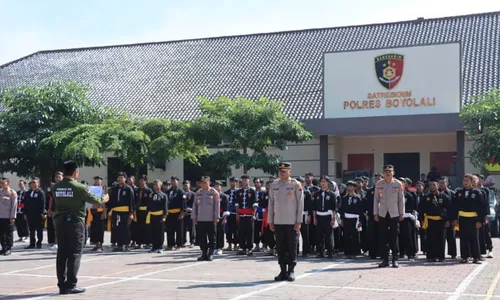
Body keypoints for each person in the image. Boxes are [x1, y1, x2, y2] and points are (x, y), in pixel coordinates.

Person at [52, 160, 109, 294]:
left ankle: (62, 285)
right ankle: (71, 284)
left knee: (62, 253)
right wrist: (104, 198)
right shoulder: (79, 187)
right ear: (75, 172)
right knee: (75, 253)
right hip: (75, 223)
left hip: (59, 222)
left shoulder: (55, 187)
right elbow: (95, 200)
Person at [267, 162, 304, 282]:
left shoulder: (295, 184)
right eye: (280, 171)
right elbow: (271, 204)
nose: (282, 174)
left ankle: (291, 270)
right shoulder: (274, 185)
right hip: (278, 221)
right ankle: (282, 270)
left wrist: (299, 220)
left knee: (292, 246)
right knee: (281, 247)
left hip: (291, 222)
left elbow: (300, 204)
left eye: (284, 171)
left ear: (290, 172)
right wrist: (270, 220)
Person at [374, 165, 404, 268]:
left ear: (393, 173)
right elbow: (376, 200)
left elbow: (401, 200)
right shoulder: (379, 184)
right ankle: (385, 260)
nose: (388, 173)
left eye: (390, 171)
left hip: (394, 213)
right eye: (386, 171)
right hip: (382, 213)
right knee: (383, 237)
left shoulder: (398, 184)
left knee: (394, 236)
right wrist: (375, 213)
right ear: (383, 173)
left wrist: (401, 213)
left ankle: (395, 259)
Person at [453, 173, 484, 264]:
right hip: (462, 218)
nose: (465, 182)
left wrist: (479, 220)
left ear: (471, 182)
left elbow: (481, 208)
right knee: (463, 238)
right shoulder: (459, 192)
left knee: (474, 238)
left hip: (473, 219)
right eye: (464, 181)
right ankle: (465, 257)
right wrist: (455, 218)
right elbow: (455, 207)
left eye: (467, 181)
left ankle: (476, 257)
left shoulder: (477, 193)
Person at [420, 181, 449, 262]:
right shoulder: (425, 197)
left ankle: (440, 256)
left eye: (434, 185)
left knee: (441, 239)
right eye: (430, 185)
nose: (432, 186)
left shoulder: (444, 196)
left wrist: (447, 220)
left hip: (441, 220)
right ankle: (431, 256)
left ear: (438, 186)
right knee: (430, 238)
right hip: (429, 220)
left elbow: (448, 209)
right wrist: (421, 219)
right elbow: (421, 209)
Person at [192, 176, 220, 261]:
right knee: (201, 237)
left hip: (211, 219)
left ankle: (211, 253)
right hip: (200, 219)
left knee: (212, 237)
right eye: (202, 182)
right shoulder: (198, 193)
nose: (203, 184)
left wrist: (216, 217)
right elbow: (195, 206)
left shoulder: (214, 192)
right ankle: (204, 253)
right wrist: (194, 216)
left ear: (209, 182)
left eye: (205, 182)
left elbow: (217, 205)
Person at [107, 172, 135, 252]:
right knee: (117, 228)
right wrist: (109, 212)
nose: (120, 179)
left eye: (121, 178)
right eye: (119, 178)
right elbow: (111, 201)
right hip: (116, 212)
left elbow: (131, 202)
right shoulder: (114, 189)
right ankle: (119, 245)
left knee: (125, 228)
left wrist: (131, 213)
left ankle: (126, 245)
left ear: (125, 179)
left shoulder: (128, 189)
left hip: (125, 212)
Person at [312, 175, 336, 258]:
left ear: (328, 183)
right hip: (319, 216)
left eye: (325, 182)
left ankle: (330, 251)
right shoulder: (316, 194)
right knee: (319, 235)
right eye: (321, 182)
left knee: (329, 235)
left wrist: (333, 218)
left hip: (328, 216)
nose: (323, 183)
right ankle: (320, 252)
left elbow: (334, 208)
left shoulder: (332, 194)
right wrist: (314, 218)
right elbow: (314, 208)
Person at [339, 181, 363, 259]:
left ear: (354, 188)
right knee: (346, 236)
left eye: (351, 186)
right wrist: (342, 219)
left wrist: (360, 221)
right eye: (348, 186)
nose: (350, 188)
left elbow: (360, 210)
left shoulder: (357, 198)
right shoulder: (344, 198)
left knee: (355, 236)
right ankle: (347, 252)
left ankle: (354, 252)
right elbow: (342, 209)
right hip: (346, 219)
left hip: (355, 219)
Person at [235, 174, 257, 256]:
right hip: (241, 214)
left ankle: (250, 248)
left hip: (249, 214)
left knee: (250, 232)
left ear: (249, 180)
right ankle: (243, 248)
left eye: (246, 180)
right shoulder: (238, 192)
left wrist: (253, 214)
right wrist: (237, 214)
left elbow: (255, 204)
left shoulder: (252, 191)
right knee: (241, 232)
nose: (244, 181)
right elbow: (237, 204)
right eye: (243, 180)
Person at [146, 179, 168, 253]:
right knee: (153, 231)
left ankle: (159, 247)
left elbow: (165, 207)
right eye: (154, 185)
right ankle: (154, 246)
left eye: (157, 185)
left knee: (160, 232)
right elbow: (149, 205)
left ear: (160, 185)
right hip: (152, 215)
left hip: (160, 215)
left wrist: (164, 216)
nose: (155, 186)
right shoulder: (151, 195)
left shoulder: (163, 195)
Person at [23, 178, 46, 249]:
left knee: (39, 229)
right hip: (30, 214)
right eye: (32, 182)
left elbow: (42, 203)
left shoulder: (40, 192)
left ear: (38, 183)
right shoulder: (28, 193)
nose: (33, 184)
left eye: (35, 182)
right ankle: (32, 243)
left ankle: (39, 243)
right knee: (31, 229)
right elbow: (25, 204)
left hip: (38, 214)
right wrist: (25, 213)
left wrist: (42, 213)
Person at [132, 175, 153, 249]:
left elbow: (150, 202)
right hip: (138, 211)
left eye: (143, 180)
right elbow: (134, 201)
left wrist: (149, 210)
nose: (141, 182)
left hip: (146, 211)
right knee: (138, 227)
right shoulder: (136, 190)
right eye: (140, 180)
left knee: (146, 228)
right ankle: (139, 243)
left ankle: (147, 243)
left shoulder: (149, 190)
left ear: (145, 181)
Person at [439, 176, 457, 259]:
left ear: (447, 183)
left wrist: (454, 219)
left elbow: (454, 208)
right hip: (439, 219)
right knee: (440, 238)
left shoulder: (452, 193)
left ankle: (453, 254)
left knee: (451, 237)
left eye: (443, 183)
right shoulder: (436, 193)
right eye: (440, 183)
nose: (441, 184)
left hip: (450, 218)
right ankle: (440, 255)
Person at [166, 176, 186, 250]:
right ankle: (170, 244)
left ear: (178, 182)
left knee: (179, 230)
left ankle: (179, 244)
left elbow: (183, 203)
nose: (173, 182)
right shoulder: (168, 191)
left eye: (174, 181)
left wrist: (182, 213)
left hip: (178, 213)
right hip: (170, 213)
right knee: (170, 230)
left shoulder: (181, 192)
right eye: (172, 181)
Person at [88, 176, 106, 252]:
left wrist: (104, 213)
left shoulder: (103, 190)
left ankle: (100, 245)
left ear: (101, 181)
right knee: (94, 228)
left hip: (100, 211)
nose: (97, 181)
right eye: (95, 180)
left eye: (98, 180)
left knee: (100, 229)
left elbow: (105, 202)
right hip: (93, 211)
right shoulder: (91, 189)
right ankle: (96, 245)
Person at [366, 173, 382, 259]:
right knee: (372, 234)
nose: (377, 180)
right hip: (372, 215)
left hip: (382, 215)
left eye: (379, 178)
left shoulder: (385, 189)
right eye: (376, 179)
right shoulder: (370, 190)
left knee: (382, 234)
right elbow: (368, 203)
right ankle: (373, 253)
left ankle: (382, 252)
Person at [0, 178, 17, 256]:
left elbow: (14, 206)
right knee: (1, 233)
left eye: (3, 183)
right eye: (1, 183)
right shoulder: (1, 192)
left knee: (8, 233)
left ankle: (8, 248)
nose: (2, 185)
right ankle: (3, 247)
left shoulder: (12, 192)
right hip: (1, 216)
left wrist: (12, 216)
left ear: (8, 183)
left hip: (8, 217)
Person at [213, 181, 229, 255]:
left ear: (221, 187)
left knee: (220, 232)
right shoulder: (212, 196)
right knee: (213, 232)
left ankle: (220, 247)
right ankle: (214, 247)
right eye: (215, 186)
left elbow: (226, 209)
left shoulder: (224, 196)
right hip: (213, 216)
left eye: (218, 186)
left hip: (221, 216)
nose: (216, 187)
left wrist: (225, 218)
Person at [224, 177, 239, 251]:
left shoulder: (239, 192)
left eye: (234, 182)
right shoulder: (226, 192)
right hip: (228, 213)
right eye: (231, 182)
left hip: (236, 213)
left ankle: (236, 245)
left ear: (236, 183)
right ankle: (229, 245)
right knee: (228, 230)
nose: (232, 183)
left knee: (236, 229)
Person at [183, 180, 196, 247]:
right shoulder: (182, 193)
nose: (185, 187)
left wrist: (191, 209)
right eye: (184, 186)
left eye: (187, 185)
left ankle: (192, 242)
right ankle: (183, 241)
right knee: (183, 228)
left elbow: (195, 203)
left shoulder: (193, 194)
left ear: (189, 186)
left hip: (191, 213)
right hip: (183, 213)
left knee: (192, 228)